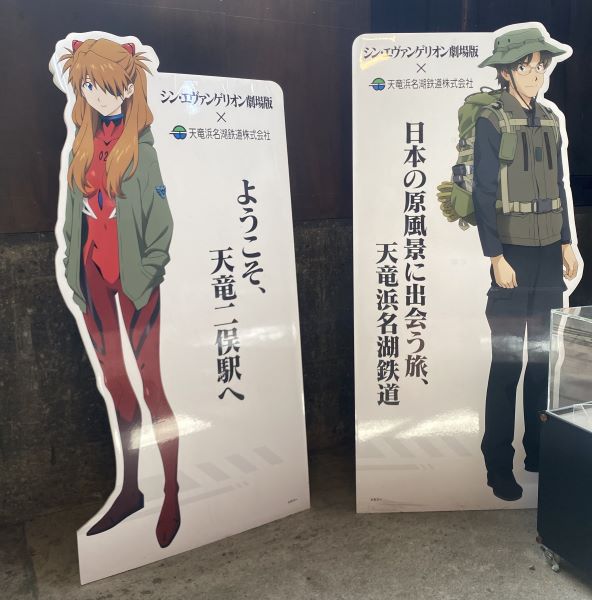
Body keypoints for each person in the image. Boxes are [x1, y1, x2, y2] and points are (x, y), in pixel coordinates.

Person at [59, 38, 181, 547]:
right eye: (88, 85)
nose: (97, 94)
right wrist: (72, 265)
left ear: (129, 87)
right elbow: (73, 216)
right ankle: (130, 490)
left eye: (106, 86)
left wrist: (147, 273)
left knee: (152, 387)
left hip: (134, 281)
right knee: (115, 383)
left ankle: (171, 492)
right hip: (92, 277)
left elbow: (162, 225)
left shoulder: (141, 152)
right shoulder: (82, 144)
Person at [473, 27, 578, 501]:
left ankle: (538, 451)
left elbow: (559, 187)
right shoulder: (491, 120)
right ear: (505, 72)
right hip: (511, 255)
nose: (535, 75)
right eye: (524, 67)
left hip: (548, 257)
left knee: (541, 362)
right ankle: (498, 465)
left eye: (540, 66)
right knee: (508, 364)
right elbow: (484, 192)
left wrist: (567, 242)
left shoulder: (550, 119)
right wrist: (495, 255)